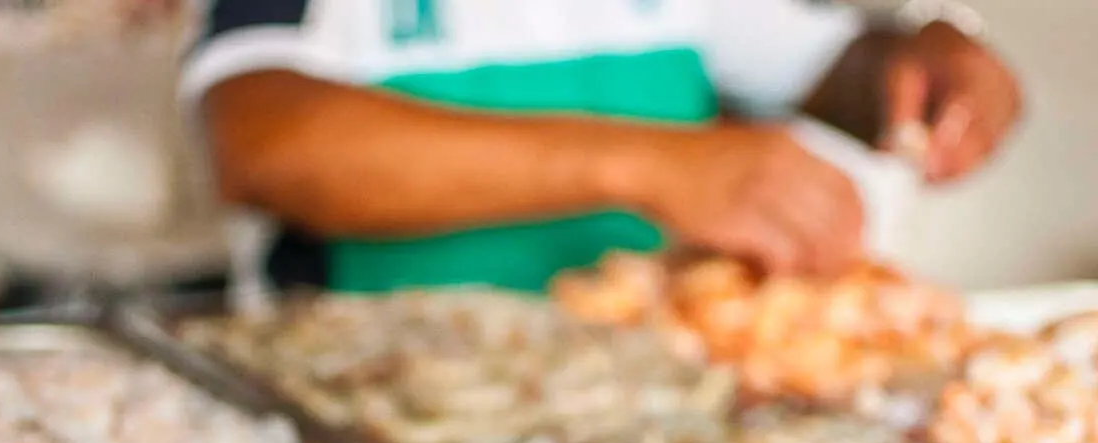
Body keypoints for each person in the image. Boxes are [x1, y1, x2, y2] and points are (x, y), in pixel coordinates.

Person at [182, 0, 1021, 292]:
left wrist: (934, 51)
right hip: (378, 417)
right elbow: (263, 141)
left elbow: (838, 64)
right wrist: (649, 163)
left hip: (638, 394)